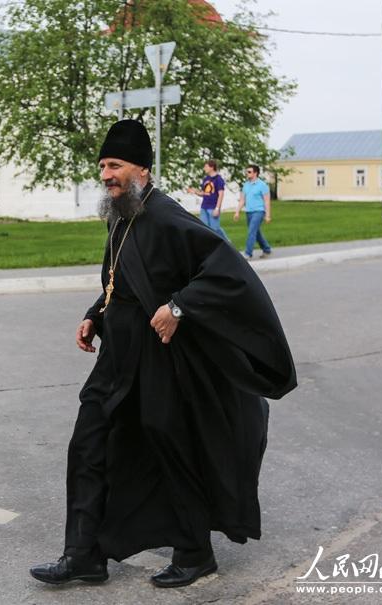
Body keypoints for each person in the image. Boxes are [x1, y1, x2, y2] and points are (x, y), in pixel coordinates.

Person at [29, 120, 297, 589]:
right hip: (118, 356)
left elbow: (227, 272)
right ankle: (84, 554)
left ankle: (195, 552)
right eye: (102, 167)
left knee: (170, 444)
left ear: (142, 169)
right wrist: (96, 313)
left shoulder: (167, 216)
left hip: (159, 357)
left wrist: (179, 306)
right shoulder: (123, 214)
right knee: (89, 443)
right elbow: (120, 280)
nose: (106, 175)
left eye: (114, 166)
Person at [235, 165, 272, 260]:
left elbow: (267, 201)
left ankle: (248, 253)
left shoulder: (262, 185)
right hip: (248, 212)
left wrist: (267, 215)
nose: (247, 173)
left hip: (259, 211)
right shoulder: (245, 185)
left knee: (251, 231)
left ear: (255, 173)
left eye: (249, 172)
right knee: (256, 232)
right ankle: (267, 249)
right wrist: (237, 212)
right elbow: (242, 200)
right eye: (246, 172)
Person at [188, 159, 228, 240]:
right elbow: (204, 193)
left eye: (206, 166)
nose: (204, 168)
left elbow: (221, 194)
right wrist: (195, 191)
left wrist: (217, 208)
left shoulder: (218, 179)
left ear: (212, 167)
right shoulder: (206, 179)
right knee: (205, 228)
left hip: (213, 207)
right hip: (204, 207)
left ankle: (227, 243)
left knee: (215, 229)